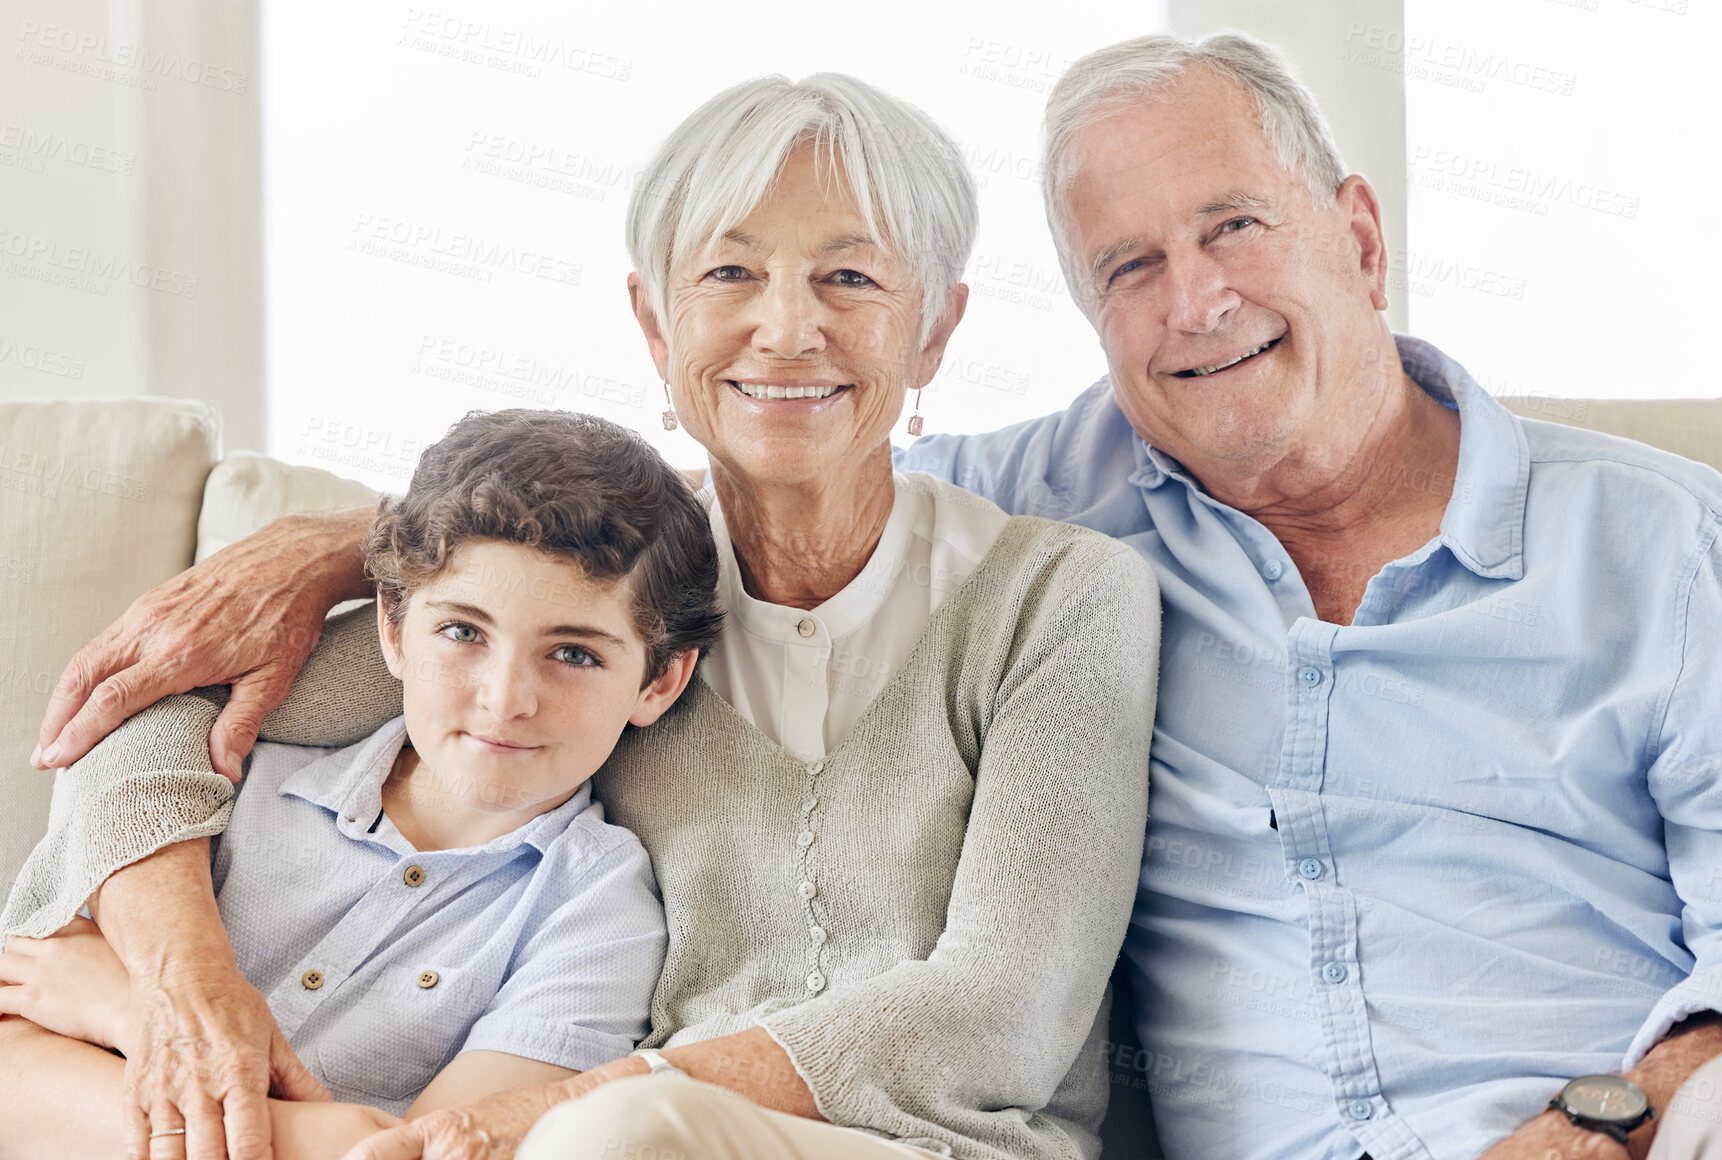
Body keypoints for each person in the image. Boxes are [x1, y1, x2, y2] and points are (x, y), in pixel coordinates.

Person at [5, 73, 1158, 1160]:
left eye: (851, 279)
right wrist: (182, 989)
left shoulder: (1062, 597)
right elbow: (168, 724)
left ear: (936, 332)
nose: (788, 328)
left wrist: (567, 1106)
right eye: (728, 275)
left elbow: (1004, 1007)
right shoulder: (608, 588)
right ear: (655, 325)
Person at [891, 32, 1722, 1160]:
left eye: (1233, 225)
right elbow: (758, 499)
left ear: (1362, 241)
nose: (1194, 300)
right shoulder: (1043, 515)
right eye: (1128, 267)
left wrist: (1602, 1123)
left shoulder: (1663, 539)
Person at [0, 409, 713, 1158]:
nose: (505, 699)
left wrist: (127, 1011)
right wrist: (324, 1130)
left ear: (659, 681)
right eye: (464, 632)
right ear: (395, 630)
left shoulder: (601, 914)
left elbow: (423, 1154)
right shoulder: (232, 784)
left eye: (573, 654)